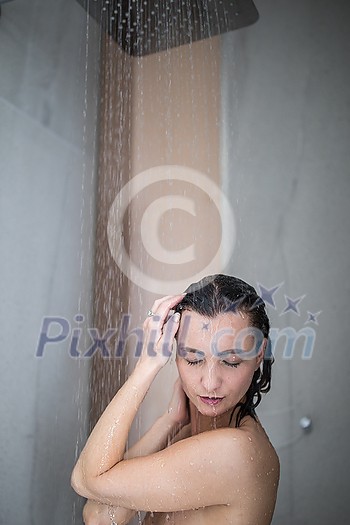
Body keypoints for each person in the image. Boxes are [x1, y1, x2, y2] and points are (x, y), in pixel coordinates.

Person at [72, 274, 279, 525]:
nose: (210, 382)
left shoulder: (235, 452)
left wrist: (146, 367)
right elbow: (99, 516)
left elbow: (86, 479)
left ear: (259, 354)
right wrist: (169, 420)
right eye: (193, 359)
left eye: (231, 361)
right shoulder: (193, 433)